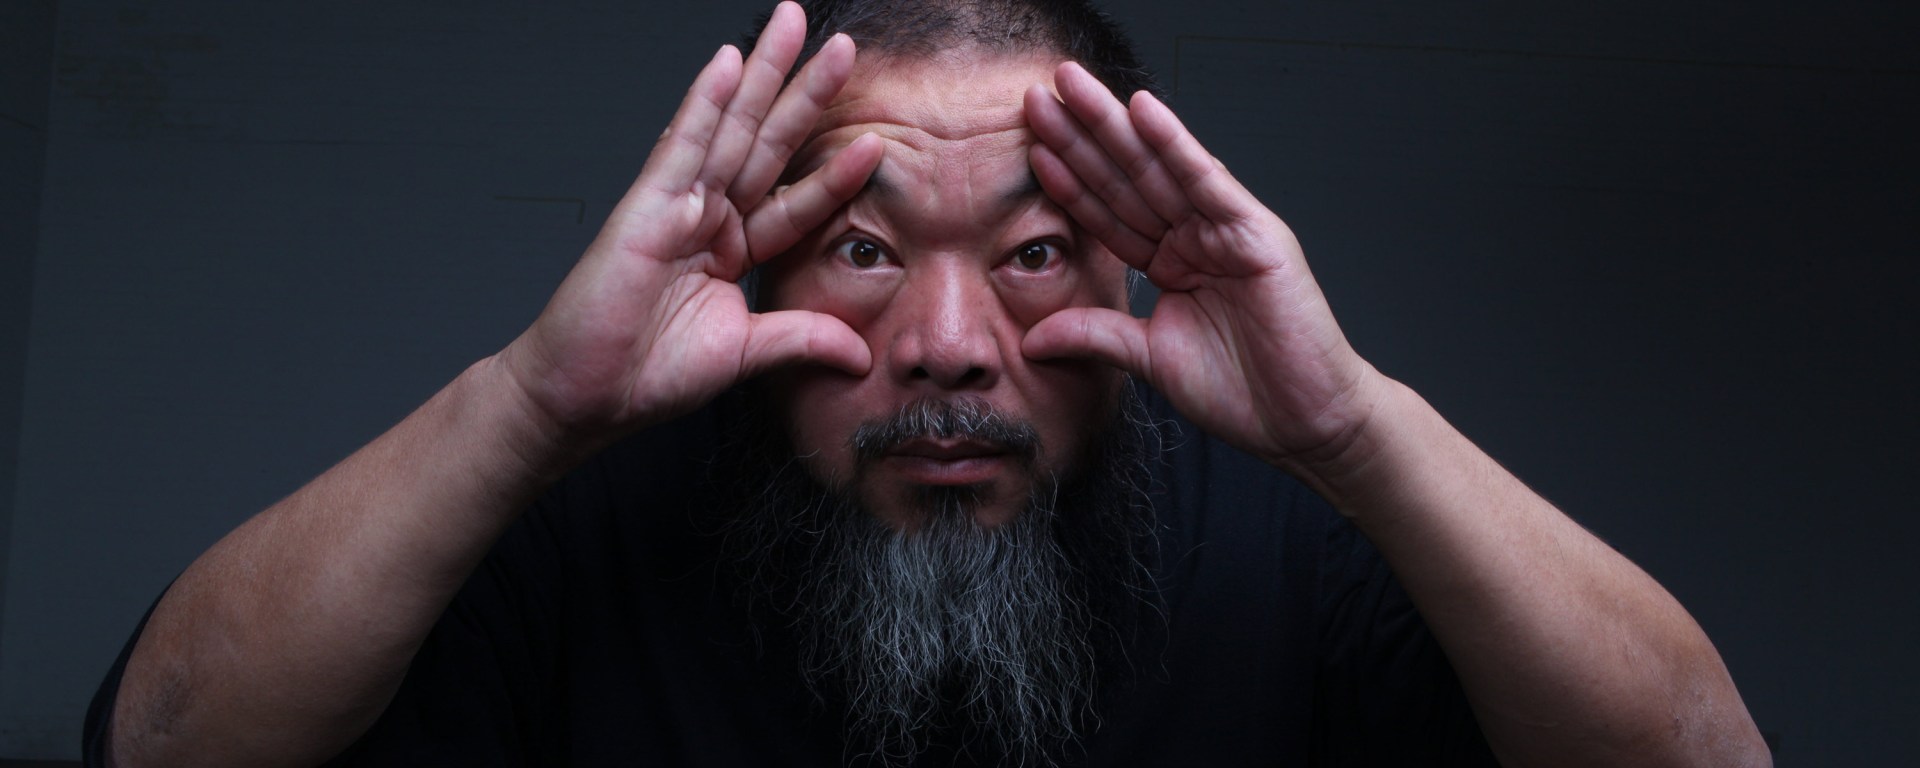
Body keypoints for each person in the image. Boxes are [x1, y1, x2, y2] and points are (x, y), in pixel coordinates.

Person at [86, 1, 1771, 766]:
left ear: (1133, 266)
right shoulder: (574, 523)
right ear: (752, 266)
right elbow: (165, 744)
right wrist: (529, 401)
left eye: (1033, 250)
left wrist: (1355, 430)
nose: (952, 342)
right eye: (864, 247)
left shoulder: (1296, 547)